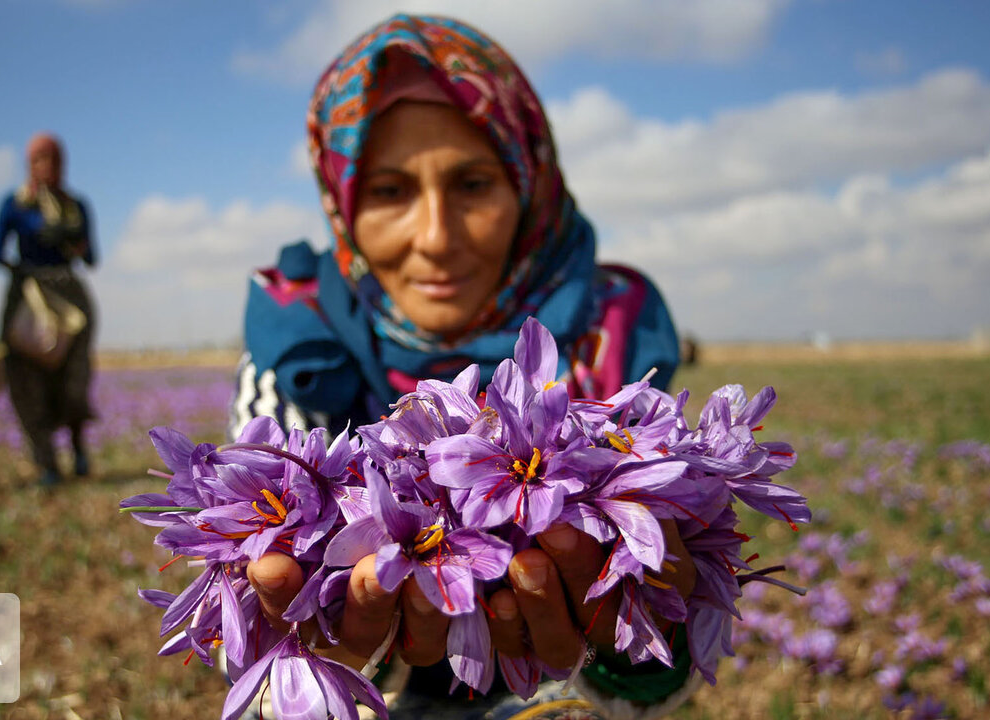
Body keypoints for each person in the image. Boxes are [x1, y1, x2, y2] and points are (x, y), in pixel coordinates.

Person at [231, 14, 698, 720]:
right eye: (389, 191)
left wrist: (632, 650)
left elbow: (663, 637)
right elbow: (260, 590)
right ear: (343, 201)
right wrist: (319, 654)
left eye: (473, 183)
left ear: (529, 184)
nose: (436, 238)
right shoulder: (301, 344)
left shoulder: (614, 327)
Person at [0, 133, 98, 487]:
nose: (47, 166)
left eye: (53, 159)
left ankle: (79, 449)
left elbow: (91, 257)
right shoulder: (15, 204)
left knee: (73, 379)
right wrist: (21, 270)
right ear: (29, 164)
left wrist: (73, 240)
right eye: (39, 159)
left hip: (69, 297)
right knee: (27, 379)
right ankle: (46, 461)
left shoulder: (76, 206)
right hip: (29, 298)